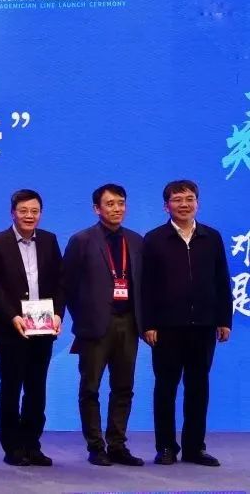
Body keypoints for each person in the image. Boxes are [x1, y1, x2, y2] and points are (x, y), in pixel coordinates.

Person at [142, 179, 233, 466]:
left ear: (197, 203)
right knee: (165, 388)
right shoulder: (154, 239)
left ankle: (195, 448)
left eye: (189, 199)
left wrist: (224, 319)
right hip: (166, 327)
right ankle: (166, 447)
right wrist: (148, 324)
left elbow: (222, 281)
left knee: (198, 388)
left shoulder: (211, 237)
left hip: (204, 325)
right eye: (177, 199)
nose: (184, 204)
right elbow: (146, 286)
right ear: (166, 206)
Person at [63, 184, 146, 466]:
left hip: (128, 324)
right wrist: (83, 318)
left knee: (124, 387)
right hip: (94, 327)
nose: (116, 209)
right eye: (110, 204)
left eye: (121, 203)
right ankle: (96, 446)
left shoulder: (136, 241)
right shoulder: (81, 240)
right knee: (90, 388)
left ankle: (118, 444)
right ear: (96, 209)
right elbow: (68, 286)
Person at [0, 189, 63, 467]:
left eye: (35, 211)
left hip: (43, 327)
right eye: (23, 211)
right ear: (12, 213)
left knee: (37, 388)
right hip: (11, 329)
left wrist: (58, 314)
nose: (29, 216)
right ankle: (13, 446)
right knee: (11, 387)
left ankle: (32, 444)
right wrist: (12, 316)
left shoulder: (50, 240)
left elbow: (60, 282)